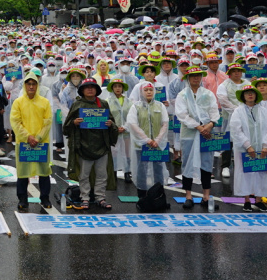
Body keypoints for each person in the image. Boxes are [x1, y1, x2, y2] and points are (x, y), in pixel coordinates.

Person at [64, 79, 118, 210]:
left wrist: (111, 125)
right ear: (82, 90)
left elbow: (112, 122)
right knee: (84, 175)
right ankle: (85, 198)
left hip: (101, 145)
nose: (90, 89)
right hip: (84, 145)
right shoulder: (77, 104)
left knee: (102, 174)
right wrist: (74, 123)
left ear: (97, 90)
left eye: (92, 87)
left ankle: (100, 197)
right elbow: (66, 127)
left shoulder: (103, 104)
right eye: (86, 87)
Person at [174, 66, 219, 211]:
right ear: (188, 77)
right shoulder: (182, 95)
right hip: (189, 134)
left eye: (198, 75)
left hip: (207, 133)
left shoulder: (208, 94)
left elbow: (214, 111)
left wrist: (210, 124)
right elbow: (182, 115)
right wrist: (199, 127)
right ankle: (188, 196)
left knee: (207, 163)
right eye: (193, 75)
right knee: (187, 163)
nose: (196, 78)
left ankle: (206, 196)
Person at [10, 71, 53, 212]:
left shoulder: (44, 102)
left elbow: (48, 122)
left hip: (41, 142)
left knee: (44, 171)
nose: (31, 86)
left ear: (37, 85)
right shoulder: (18, 102)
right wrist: (28, 136)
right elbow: (15, 122)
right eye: (28, 84)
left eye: (34, 84)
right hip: (24, 143)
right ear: (25, 85)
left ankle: (45, 198)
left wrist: (38, 138)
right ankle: (23, 199)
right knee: (23, 173)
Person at [228, 84, 267, 212]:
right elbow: (236, 130)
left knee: (261, 172)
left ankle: (259, 200)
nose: (250, 95)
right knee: (245, 172)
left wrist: (266, 146)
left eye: (252, 92)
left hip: (262, 149)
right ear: (243, 96)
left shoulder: (263, 111)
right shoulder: (238, 111)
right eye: (247, 93)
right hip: (244, 149)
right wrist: (247, 145)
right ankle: (247, 200)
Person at [125, 81, 169, 199]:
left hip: (157, 145)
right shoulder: (136, 107)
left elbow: (165, 123)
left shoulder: (160, 106)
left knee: (158, 169)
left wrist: (158, 140)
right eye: (146, 90)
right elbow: (133, 124)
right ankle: (142, 195)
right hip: (142, 145)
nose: (149, 92)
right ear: (141, 92)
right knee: (142, 170)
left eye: (151, 90)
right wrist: (147, 140)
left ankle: (159, 194)